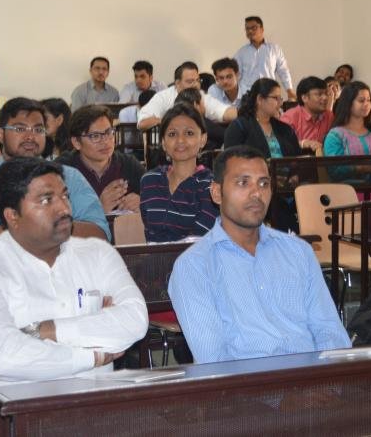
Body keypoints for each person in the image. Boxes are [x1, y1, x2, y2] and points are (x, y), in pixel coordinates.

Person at [0, 157, 148, 433]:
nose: (64, 208)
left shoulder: (97, 254)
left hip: (93, 404)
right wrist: (92, 357)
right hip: (5, 412)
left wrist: (46, 330)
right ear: (12, 216)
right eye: (46, 200)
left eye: (64, 196)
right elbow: (4, 357)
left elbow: (135, 321)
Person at [168, 145, 350, 364]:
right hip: (249, 393)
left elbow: (331, 333)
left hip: (316, 386)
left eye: (264, 183)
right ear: (217, 193)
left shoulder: (298, 252)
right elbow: (214, 361)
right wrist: (280, 398)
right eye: (243, 183)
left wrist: (328, 385)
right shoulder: (194, 267)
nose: (257, 193)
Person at [0, 97, 110, 259]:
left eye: (38, 130)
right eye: (20, 129)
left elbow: (100, 236)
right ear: (0, 134)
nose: (30, 137)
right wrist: (10, 229)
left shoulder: (70, 177)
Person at [140, 103, 218, 243]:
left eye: (189, 133)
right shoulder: (149, 180)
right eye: (172, 134)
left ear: (203, 139)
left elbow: (200, 239)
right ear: (163, 143)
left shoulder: (210, 186)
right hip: (152, 261)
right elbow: (149, 231)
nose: (180, 140)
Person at [57, 105, 144, 213]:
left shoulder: (129, 164)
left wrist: (143, 203)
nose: (106, 141)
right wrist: (98, 209)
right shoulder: (62, 171)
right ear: (76, 142)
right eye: (95, 136)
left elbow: (155, 201)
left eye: (108, 133)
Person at [137, 61, 236, 131]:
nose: (195, 85)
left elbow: (225, 112)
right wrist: (173, 120)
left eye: (197, 80)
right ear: (177, 83)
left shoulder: (200, 96)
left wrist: (246, 114)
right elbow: (142, 123)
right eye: (190, 81)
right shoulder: (163, 97)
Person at [224, 78, 301, 158]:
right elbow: (231, 161)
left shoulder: (285, 129)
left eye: (280, 99)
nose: (280, 103)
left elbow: (297, 159)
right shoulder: (239, 127)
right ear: (260, 99)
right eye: (275, 98)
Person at [234, 16, 295, 100]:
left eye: (253, 28)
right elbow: (235, 75)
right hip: (247, 95)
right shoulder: (241, 53)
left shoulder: (274, 50)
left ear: (262, 29)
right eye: (247, 29)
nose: (250, 31)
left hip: (270, 94)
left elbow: (283, 71)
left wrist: (289, 91)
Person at [280, 76, 333, 152]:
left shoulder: (329, 116)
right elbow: (281, 144)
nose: (325, 98)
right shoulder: (289, 118)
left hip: (322, 161)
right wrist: (302, 144)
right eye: (319, 94)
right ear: (304, 98)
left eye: (326, 94)